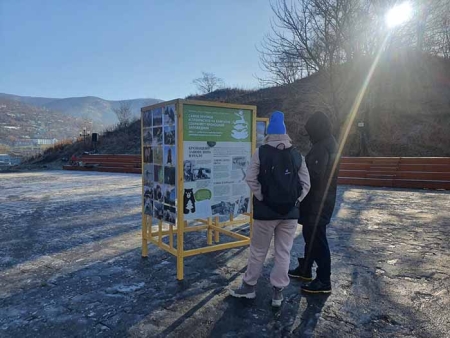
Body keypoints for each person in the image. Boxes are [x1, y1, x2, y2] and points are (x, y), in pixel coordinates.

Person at [229, 111, 310, 307]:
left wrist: (261, 197)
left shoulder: (261, 152)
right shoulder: (296, 154)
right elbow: (306, 184)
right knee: (283, 252)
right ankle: (278, 293)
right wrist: (295, 200)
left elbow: (250, 178)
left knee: (258, 251)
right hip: (289, 214)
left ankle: (249, 288)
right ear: (285, 132)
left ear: (269, 132)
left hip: (265, 213)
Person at [288, 111, 339, 294]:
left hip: (318, 202)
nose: (309, 136)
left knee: (317, 238)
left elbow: (314, 176)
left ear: (316, 129)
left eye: (310, 132)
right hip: (321, 200)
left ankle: (324, 279)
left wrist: (296, 176)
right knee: (310, 236)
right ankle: (306, 268)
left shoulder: (321, 146)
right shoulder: (328, 142)